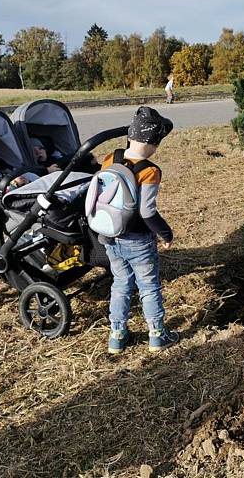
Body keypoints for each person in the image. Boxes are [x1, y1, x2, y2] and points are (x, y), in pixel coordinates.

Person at [100, 106, 178, 354]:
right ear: (155, 144)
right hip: (138, 240)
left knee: (120, 284)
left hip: (110, 235)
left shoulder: (110, 159)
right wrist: (165, 233)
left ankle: (117, 335)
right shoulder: (149, 171)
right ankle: (157, 335)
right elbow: (147, 212)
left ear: (130, 136)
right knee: (148, 286)